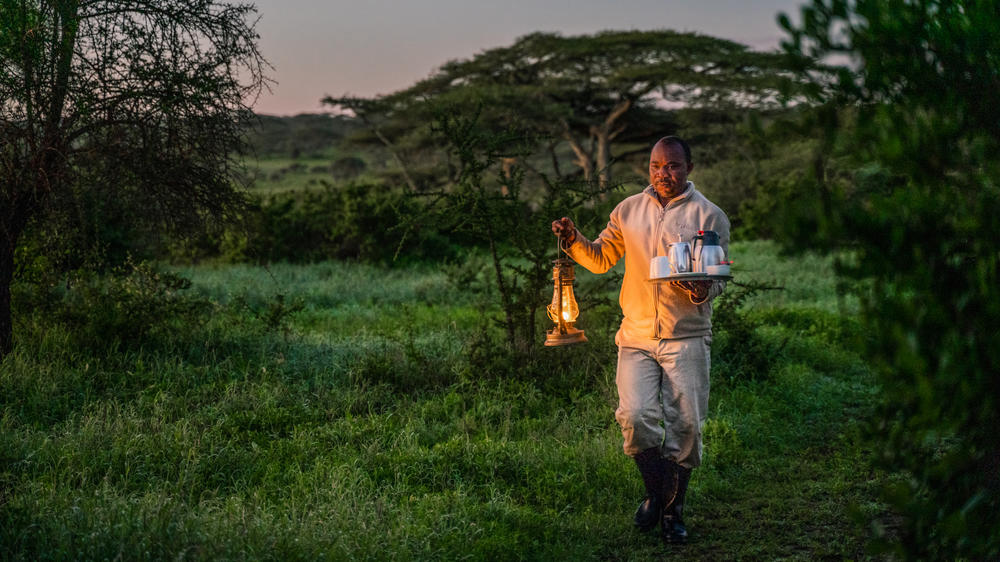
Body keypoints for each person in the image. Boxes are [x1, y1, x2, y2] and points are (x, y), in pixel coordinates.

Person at [551, 135, 729, 545]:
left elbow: (717, 278)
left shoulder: (710, 215)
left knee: (686, 427)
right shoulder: (628, 210)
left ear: (689, 168)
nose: (663, 173)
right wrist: (573, 239)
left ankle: (672, 512)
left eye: (672, 165)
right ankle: (656, 494)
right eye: (655, 165)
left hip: (687, 336)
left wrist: (702, 290)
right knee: (634, 417)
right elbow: (600, 258)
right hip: (635, 335)